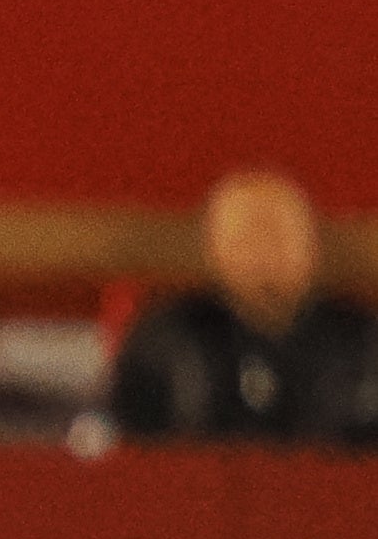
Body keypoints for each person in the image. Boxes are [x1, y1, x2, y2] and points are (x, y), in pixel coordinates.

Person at [106, 168, 378, 443]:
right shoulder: (165, 342)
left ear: (312, 244)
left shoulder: (365, 339)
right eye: (247, 236)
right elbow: (134, 450)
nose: (264, 252)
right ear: (214, 247)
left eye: (279, 234)